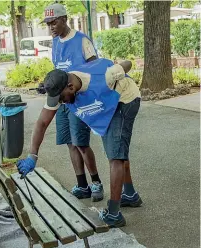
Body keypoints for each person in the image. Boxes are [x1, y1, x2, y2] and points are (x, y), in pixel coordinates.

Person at [17, 58, 142, 228]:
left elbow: (128, 64)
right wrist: (33, 155)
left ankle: (114, 214)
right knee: (116, 149)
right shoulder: (60, 88)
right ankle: (130, 195)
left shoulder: (103, 77)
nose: (61, 103)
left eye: (62, 98)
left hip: (125, 99)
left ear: (71, 87)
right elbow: (42, 123)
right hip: (107, 104)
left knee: (115, 156)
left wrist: (118, 68)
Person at [35, 3, 103, 201]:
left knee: (81, 143)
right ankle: (82, 185)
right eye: (48, 24)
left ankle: (96, 182)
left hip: (79, 99)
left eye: (54, 22)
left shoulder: (82, 41)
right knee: (69, 143)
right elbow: (58, 70)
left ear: (64, 19)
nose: (51, 27)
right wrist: (47, 84)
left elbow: (95, 69)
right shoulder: (55, 42)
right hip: (61, 99)